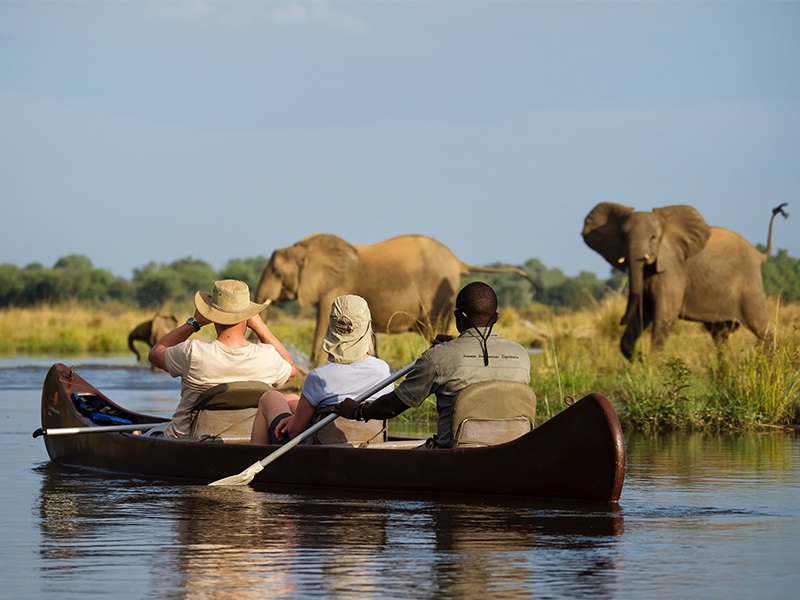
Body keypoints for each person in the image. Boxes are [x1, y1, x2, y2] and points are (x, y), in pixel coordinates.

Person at [334, 281, 531, 448]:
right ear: (496, 318)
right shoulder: (522, 355)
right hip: (511, 451)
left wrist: (357, 411)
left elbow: (393, 407)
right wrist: (455, 346)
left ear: (457, 316)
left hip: (452, 457)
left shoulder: (438, 357)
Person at [148, 279, 296, 439]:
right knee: (291, 398)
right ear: (248, 318)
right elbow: (291, 370)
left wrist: (195, 322)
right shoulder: (267, 356)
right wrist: (261, 327)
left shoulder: (193, 352)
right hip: (250, 441)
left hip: (190, 442)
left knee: (149, 433)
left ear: (212, 316)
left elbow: (155, 353)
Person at [250, 294, 394, 445]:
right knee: (292, 399)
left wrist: (294, 422)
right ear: (366, 326)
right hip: (369, 446)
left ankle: (253, 462)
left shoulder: (318, 377)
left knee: (270, 397)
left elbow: (294, 432)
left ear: (332, 327)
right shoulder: (382, 370)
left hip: (321, 455)